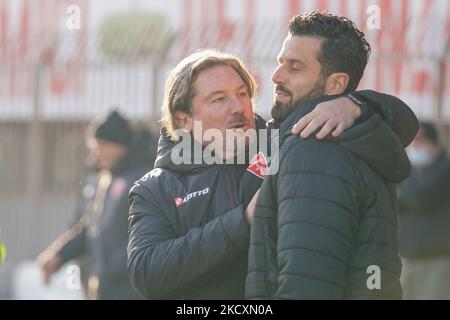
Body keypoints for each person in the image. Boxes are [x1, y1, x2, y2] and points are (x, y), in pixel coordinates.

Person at [127, 47, 417, 299]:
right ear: (184, 119)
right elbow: (147, 274)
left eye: (243, 94)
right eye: (219, 99)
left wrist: (356, 104)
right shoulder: (155, 189)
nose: (238, 108)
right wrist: (243, 220)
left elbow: (400, 126)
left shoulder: (284, 144)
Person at [245, 12, 417, 299]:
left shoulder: (315, 146)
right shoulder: (346, 137)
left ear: (336, 84)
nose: (276, 76)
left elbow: (307, 281)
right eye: (280, 64)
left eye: (295, 67)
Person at [37, 110, 155, 299]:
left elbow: (149, 236)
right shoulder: (105, 178)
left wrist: (110, 271)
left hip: (132, 290)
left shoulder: (144, 180)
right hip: (105, 289)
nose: (95, 152)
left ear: (118, 145)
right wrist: (60, 255)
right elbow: (92, 226)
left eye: (99, 145)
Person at [398, 121, 450, 299]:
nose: (415, 148)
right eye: (413, 143)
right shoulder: (409, 172)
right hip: (407, 258)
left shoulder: (445, 169)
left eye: (421, 143)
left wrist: (400, 192)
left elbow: (422, 197)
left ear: (434, 144)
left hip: (437, 260)